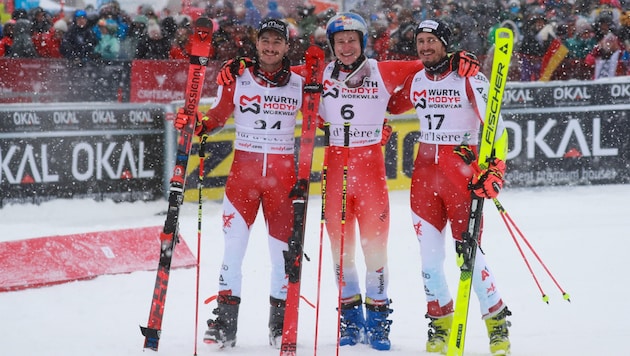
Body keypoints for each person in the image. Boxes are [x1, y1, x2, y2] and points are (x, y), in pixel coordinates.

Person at [214, 11, 481, 352]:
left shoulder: (382, 71)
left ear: (362, 42)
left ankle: (379, 318)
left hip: (371, 176)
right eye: (339, 41)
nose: (346, 47)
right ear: (332, 46)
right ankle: (350, 318)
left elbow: (426, 64)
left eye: (352, 40)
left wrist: (459, 58)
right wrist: (238, 65)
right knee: (342, 255)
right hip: (335, 172)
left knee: (375, 252)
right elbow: (271, 71)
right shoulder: (317, 75)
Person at [173, 18, 303, 349]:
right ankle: (224, 324)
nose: (271, 47)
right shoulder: (237, 76)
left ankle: (280, 322)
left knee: (282, 256)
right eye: (266, 41)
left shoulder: (300, 83)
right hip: (242, 177)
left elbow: (325, 117)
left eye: (277, 42)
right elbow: (217, 117)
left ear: (287, 46)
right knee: (232, 251)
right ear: (256, 44)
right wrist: (197, 126)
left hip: (282, 181)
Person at [388, 19, 511, 356]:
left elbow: (497, 129)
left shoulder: (470, 77)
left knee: (469, 255)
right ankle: (439, 325)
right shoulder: (416, 81)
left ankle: (497, 324)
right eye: (420, 41)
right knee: (429, 262)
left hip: (461, 175)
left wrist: (495, 170)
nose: (425, 47)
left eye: (432, 41)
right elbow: (386, 104)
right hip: (424, 177)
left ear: (445, 42)